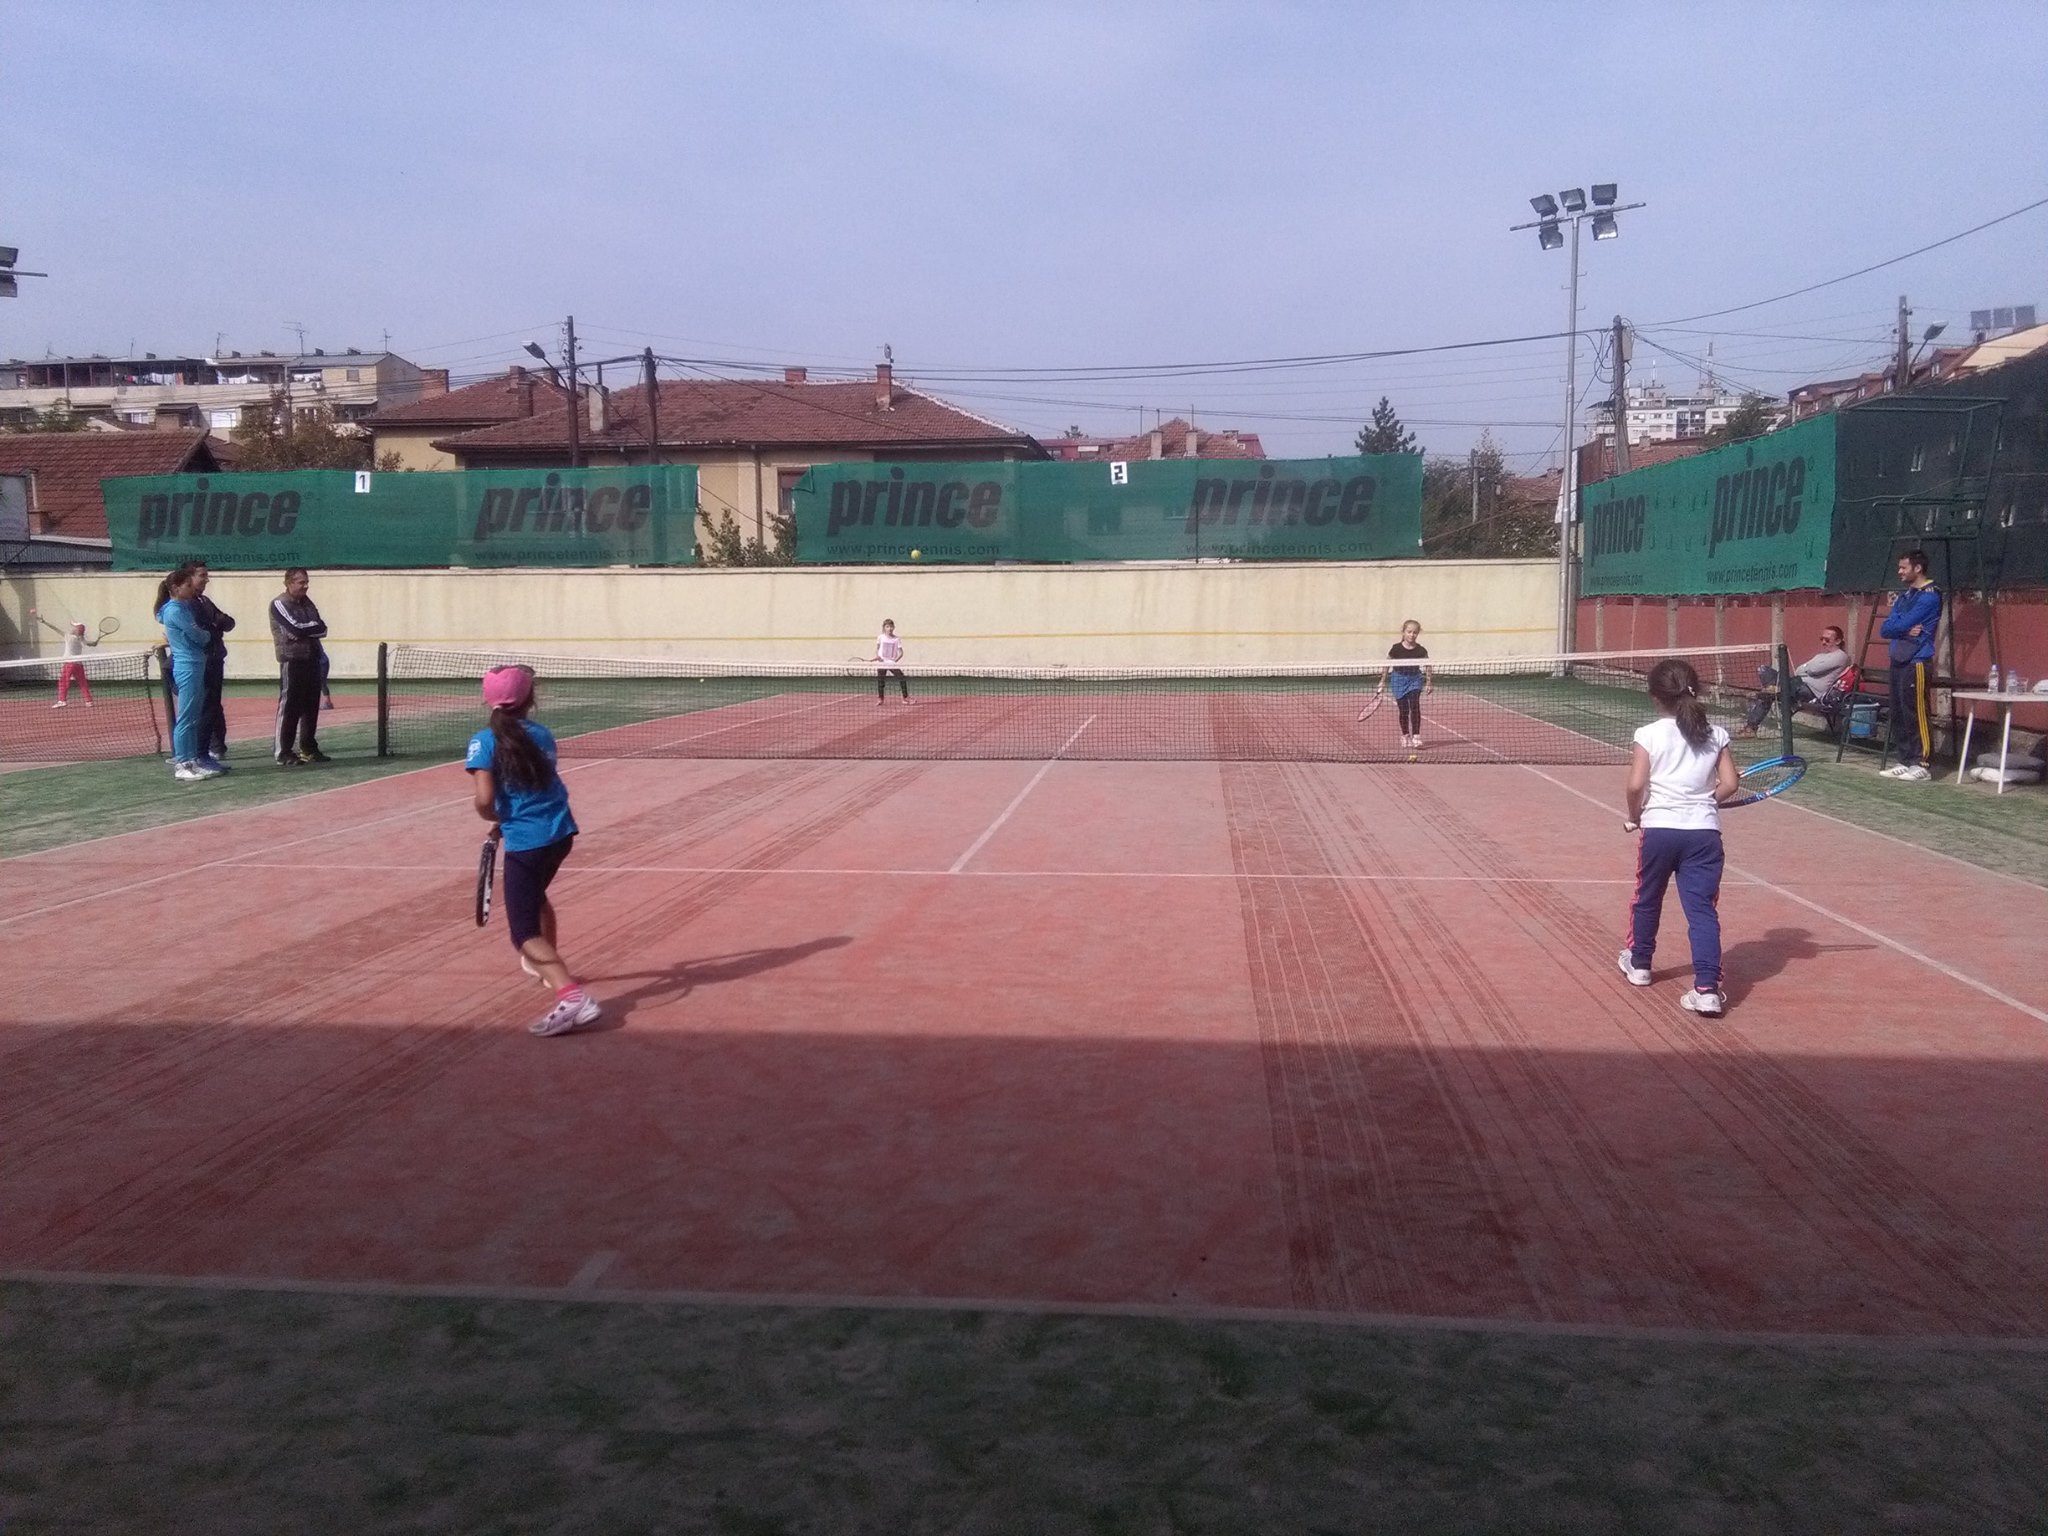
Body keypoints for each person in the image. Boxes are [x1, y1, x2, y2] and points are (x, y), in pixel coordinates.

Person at [467, 664, 601, 1037]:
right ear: (530, 699)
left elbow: (485, 800)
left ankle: (571, 997)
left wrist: (494, 817)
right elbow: (531, 788)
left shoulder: (484, 741)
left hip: (528, 843)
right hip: (560, 834)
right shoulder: (542, 735)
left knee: (523, 933)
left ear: (487, 700)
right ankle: (548, 970)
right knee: (536, 898)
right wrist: (506, 817)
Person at [1618, 657, 1740, 1017]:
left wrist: (1635, 815)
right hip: (1704, 835)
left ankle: (1640, 964)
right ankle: (1707, 989)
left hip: (1659, 831)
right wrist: (1705, 802)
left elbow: (1636, 785)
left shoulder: (1648, 734)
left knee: (1647, 898)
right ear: (1694, 690)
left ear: (1655, 696)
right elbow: (1730, 784)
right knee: (1702, 911)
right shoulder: (1716, 734)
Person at [1880, 549, 1942, 782]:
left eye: (1903, 567)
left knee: (1916, 712)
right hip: (1898, 659)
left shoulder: (1930, 596)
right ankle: (1905, 760)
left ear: (1917, 568)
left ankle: (1921, 763)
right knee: (1898, 712)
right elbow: (1886, 629)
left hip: (1916, 661)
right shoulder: (1904, 597)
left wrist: (1900, 626)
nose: (1899, 572)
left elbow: (1900, 623)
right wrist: (1904, 630)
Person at [158, 564, 222, 782]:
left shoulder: (184, 607)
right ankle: (181, 763)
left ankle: (193, 760)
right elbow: (200, 636)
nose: (191, 588)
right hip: (186, 666)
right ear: (176, 588)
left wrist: (204, 634)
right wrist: (206, 634)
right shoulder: (174, 610)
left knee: (194, 717)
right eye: (187, 585)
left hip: (197, 663)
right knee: (186, 717)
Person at [1736, 624, 1851, 737]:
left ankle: (1751, 727)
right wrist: (1808, 669)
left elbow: (1813, 669)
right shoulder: (1820, 656)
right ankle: (1774, 689)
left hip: (1810, 691)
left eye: (1827, 640)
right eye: (1822, 639)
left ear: (1838, 641)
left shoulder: (1841, 656)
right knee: (1764, 670)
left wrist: (1807, 668)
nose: (1823, 642)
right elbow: (1799, 670)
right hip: (1796, 683)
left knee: (1766, 695)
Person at [269, 567, 331, 766]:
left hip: (312, 658)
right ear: (289, 583)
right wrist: (307, 629)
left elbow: (322, 628)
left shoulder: (308, 603)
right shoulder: (279, 603)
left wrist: (305, 630)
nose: (305, 586)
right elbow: (294, 627)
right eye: (301, 582)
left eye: (306, 582)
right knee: (289, 707)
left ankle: (308, 749)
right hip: (292, 660)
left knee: (311, 707)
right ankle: (283, 752)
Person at [187, 562, 236, 770]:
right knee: (202, 707)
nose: (206, 579)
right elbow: (202, 630)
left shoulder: (204, 600)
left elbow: (228, 622)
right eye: (202, 575)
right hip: (201, 662)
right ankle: (197, 753)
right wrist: (215, 625)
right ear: (189, 578)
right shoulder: (186, 604)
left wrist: (217, 623)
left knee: (213, 706)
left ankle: (213, 748)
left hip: (215, 659)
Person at [1366, 619, 1433, 750]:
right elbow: (1387, 664)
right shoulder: (1396, 649)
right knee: (1404, 710)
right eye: (1409, 632)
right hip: (1398, 680)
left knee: (1415, 706)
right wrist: (1382, 681)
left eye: (1415, 632)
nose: (1412, 635)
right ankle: (1405, 735)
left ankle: (1416, 737)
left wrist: (1429, 682)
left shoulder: (1420, 650)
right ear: (1403, 632)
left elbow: (1428, 665)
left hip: (1415, 679)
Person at [29, 610, 98, 706]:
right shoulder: (81, 639)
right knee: (82, 682)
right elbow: (90, 644)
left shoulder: (69, 637)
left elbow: (55, 629)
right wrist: (94, 643)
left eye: (74, 627)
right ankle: (88, 701)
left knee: (63, 682)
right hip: (78, 665)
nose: (72, 628)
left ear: (77, 630)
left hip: (69, 663)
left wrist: (44, 622)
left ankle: (62, 700)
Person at [871, 618, 910, 704]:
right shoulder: (880, 637)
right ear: (884, 628)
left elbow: (901, 653)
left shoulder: (896, 639)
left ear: (894, 627)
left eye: (891, 626)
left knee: (902, 678)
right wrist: (878, 656)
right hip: (881, 663)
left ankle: (905, 698)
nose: (889, 628)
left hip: (891, 663)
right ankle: (880, 699)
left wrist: (894, 661)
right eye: (887, 626)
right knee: (881, 681)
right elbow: (877, 649)